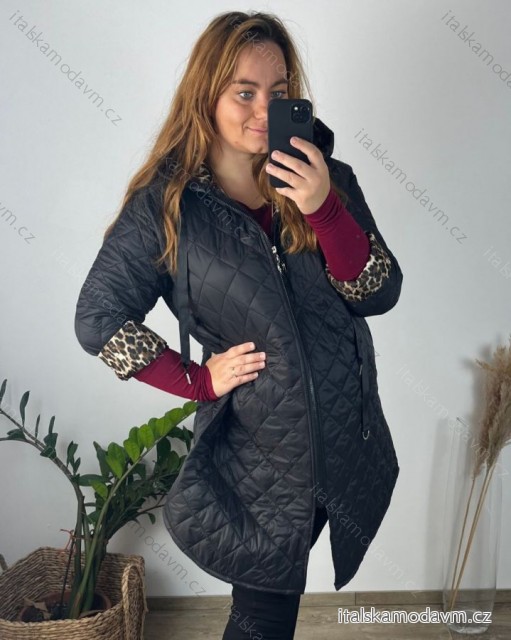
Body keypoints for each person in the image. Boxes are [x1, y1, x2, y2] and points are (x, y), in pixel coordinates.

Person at [74, 10, 403, 640]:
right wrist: (196, 381)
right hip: (262, 453)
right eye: (244, 93)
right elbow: (98, 317)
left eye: (278, 93)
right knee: (264, 616)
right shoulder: (166, 206)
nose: (262, 111)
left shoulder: (327, 180)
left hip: (345, 438)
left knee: (274, 610)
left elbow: (379, 292)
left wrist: (323, 208)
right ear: (208, 94)